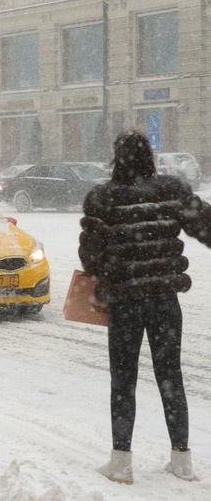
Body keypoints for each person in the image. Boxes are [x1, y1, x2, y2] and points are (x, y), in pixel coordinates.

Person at [78, 130, 211, 484]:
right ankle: (182, 459)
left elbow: (90, 258)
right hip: (164, 302)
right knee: (171, 377)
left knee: (123, 380)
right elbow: (206, 226)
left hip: (124, 304)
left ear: (116, 159)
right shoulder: (171, 191)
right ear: (150, 158)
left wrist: (110, 268)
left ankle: (121, 462)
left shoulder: (103, 198)